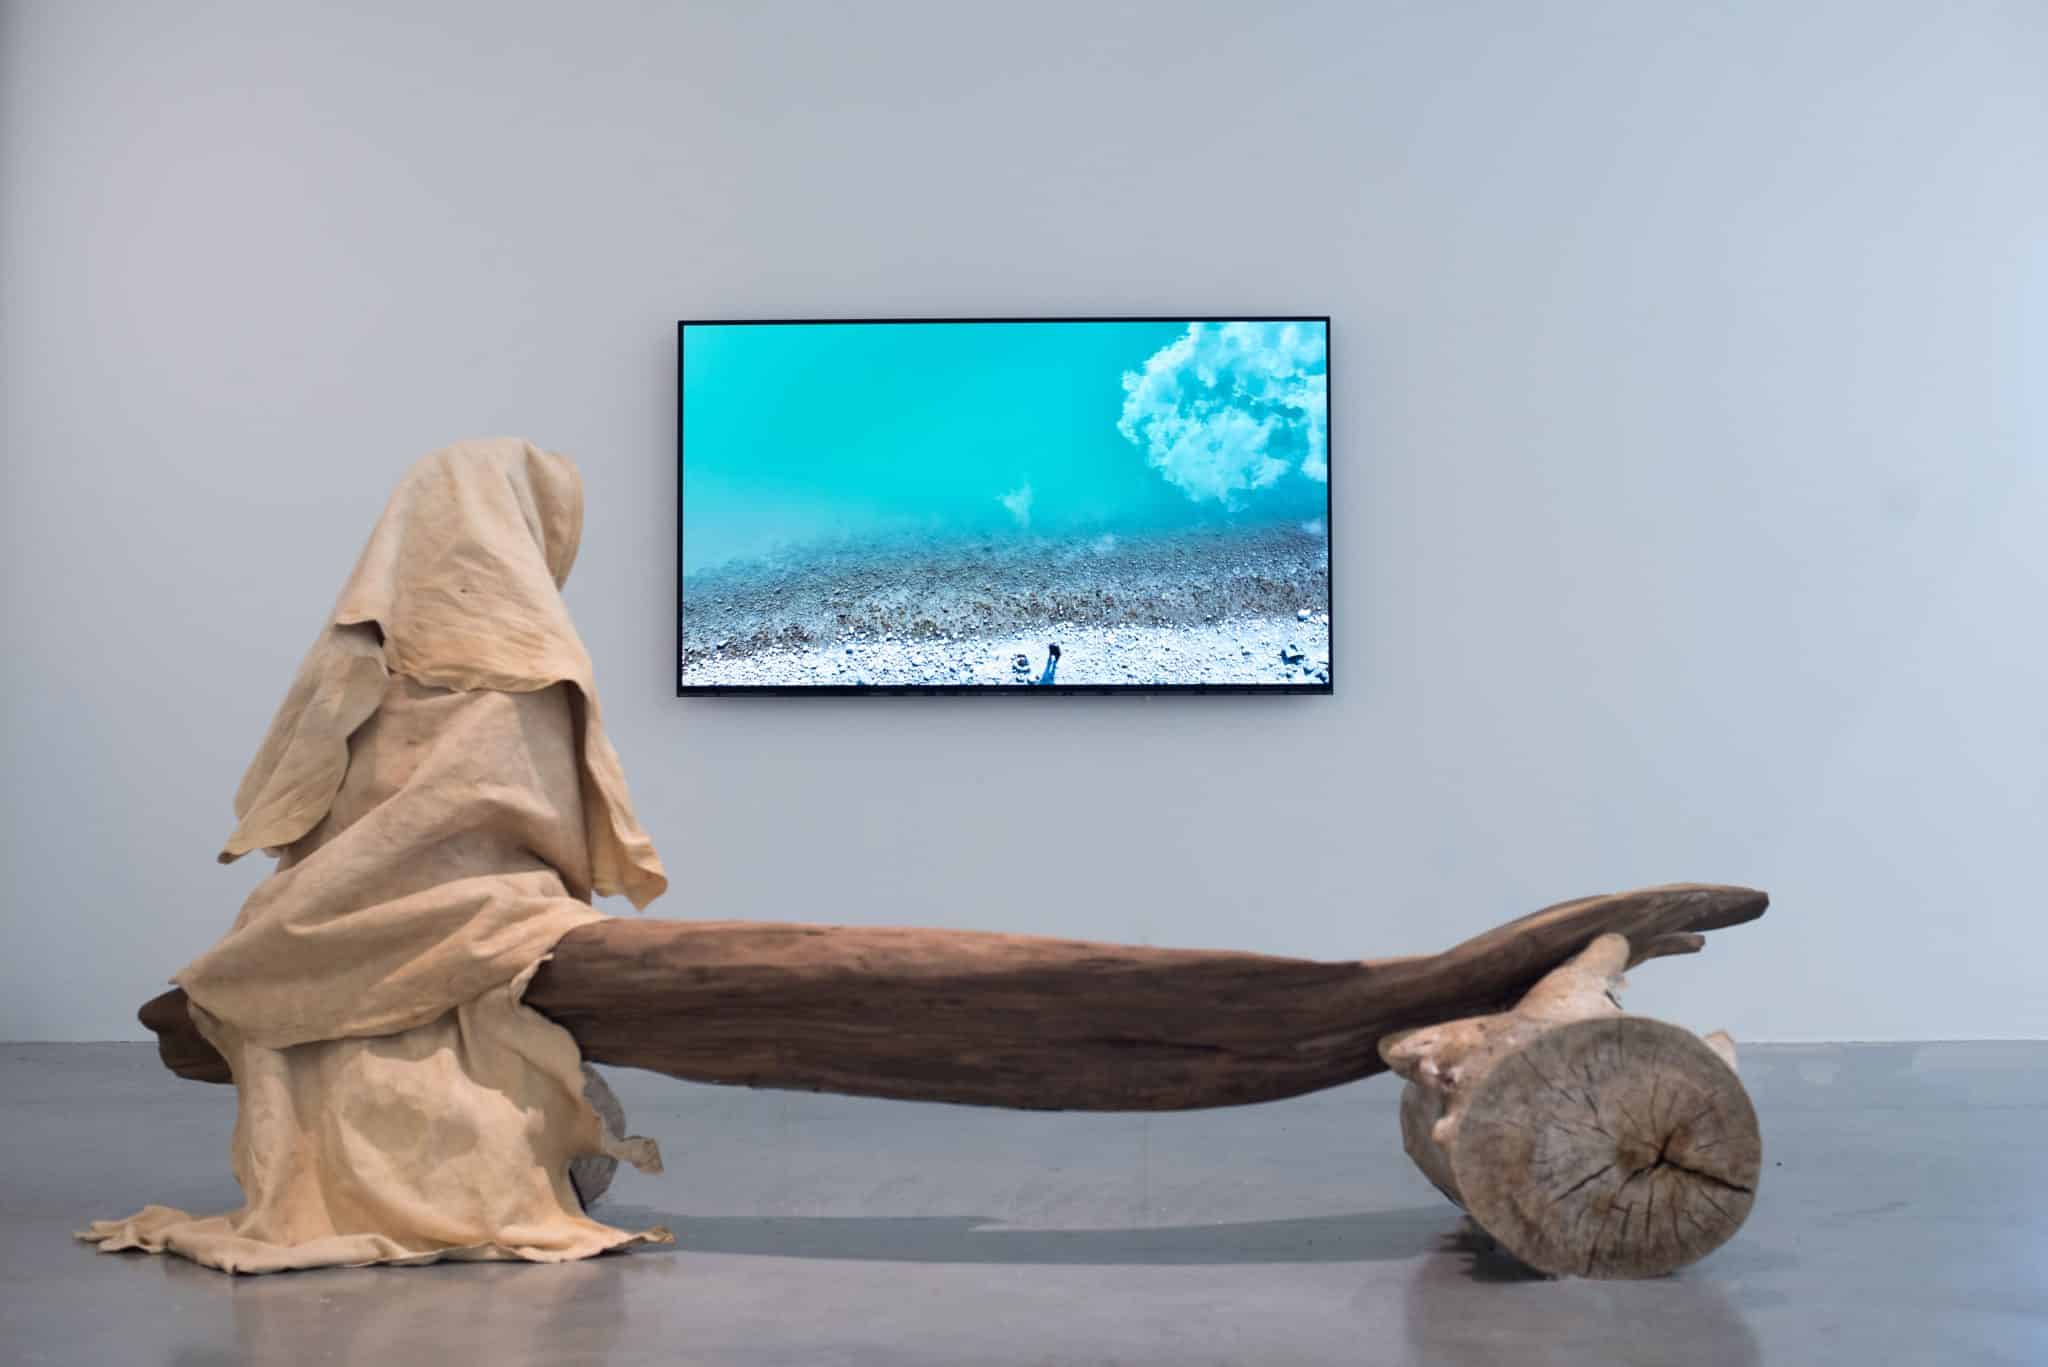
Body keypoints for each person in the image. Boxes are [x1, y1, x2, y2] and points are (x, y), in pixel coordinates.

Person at [78, 439, 670, 1273]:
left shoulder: (358, 649)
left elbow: (300, 800)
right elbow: (556, 826)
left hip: (327, 916)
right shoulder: (538, 662)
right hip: (477, 911)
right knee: (509, 1083)